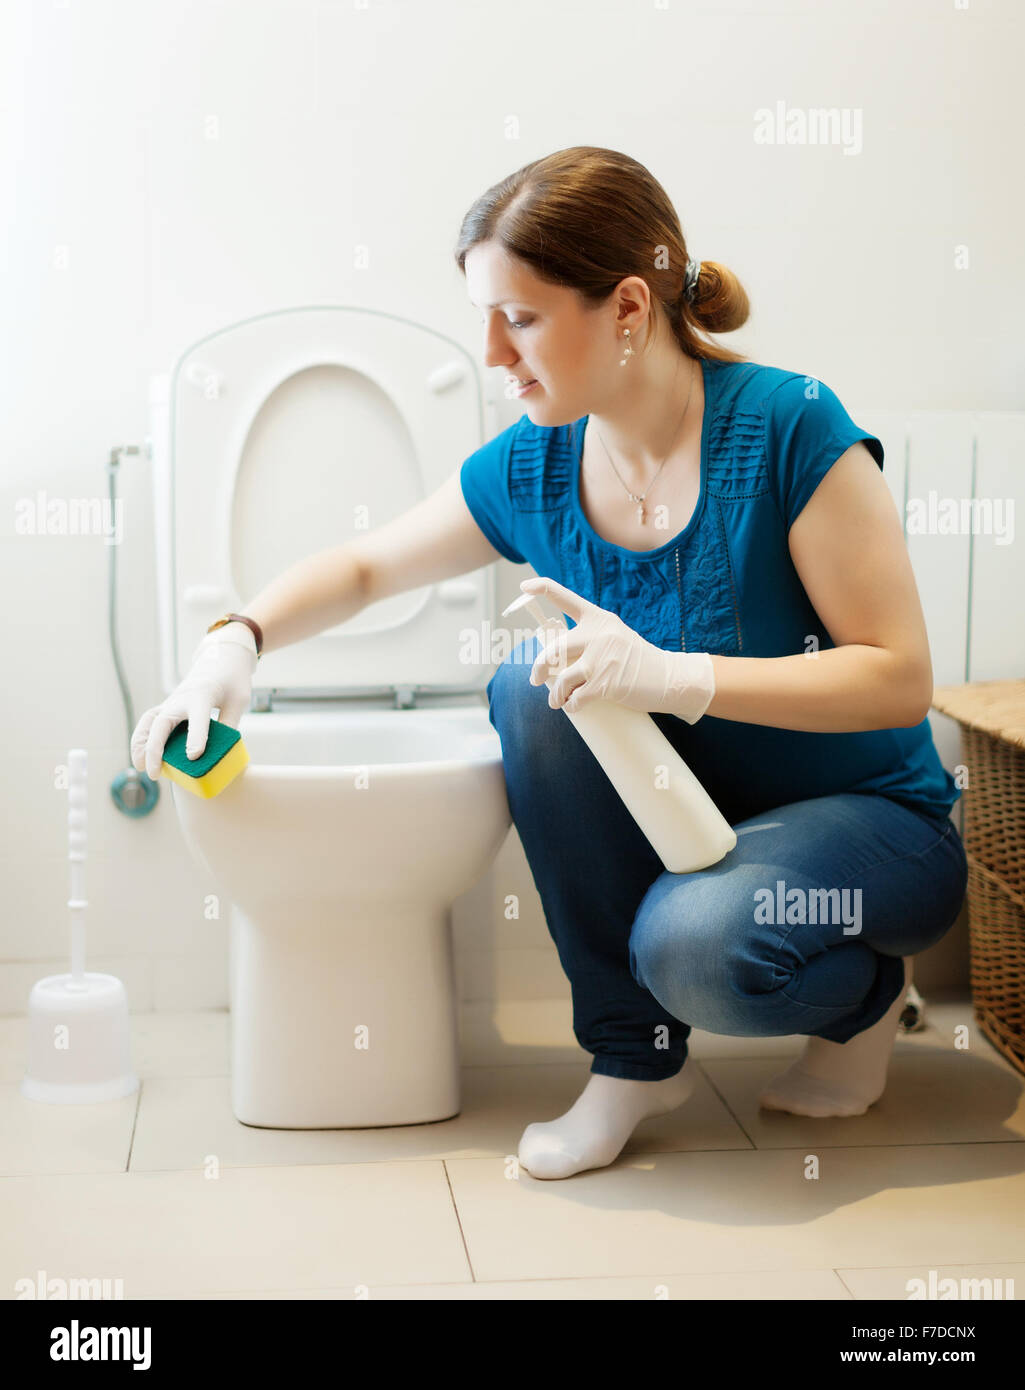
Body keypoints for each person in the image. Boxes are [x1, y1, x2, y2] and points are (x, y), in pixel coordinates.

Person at [132, 146, 967, 1182]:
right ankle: (633, 1059)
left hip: (870, 821)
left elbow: (895, 676)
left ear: (625, 306)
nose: (491, 351)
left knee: (693, 949)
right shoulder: (533, 463)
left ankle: (865, 1000)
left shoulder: (789, 427)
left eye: (517, 318)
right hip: (695, 815)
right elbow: (361, 565)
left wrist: (673, 675)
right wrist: (231, 647)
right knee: (532, 684)